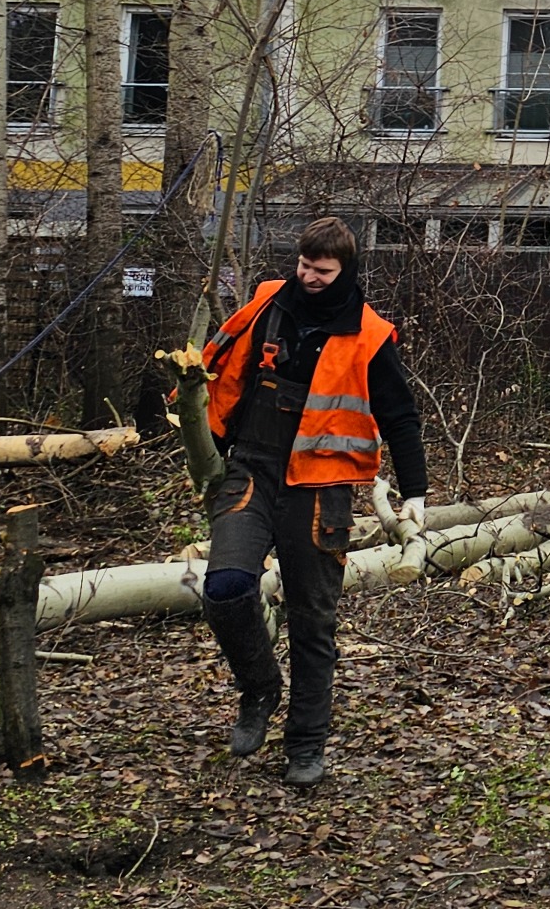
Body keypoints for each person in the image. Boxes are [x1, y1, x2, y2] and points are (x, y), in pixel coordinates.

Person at [199, 216, 427, 787]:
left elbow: (400, 416)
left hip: (320, 488)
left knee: (312, 620)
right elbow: (224, 368)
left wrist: (416, 491)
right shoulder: (269, 304)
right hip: (252, 467)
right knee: (225, 587)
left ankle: (305, 745)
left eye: (321, 271)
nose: (308, 277)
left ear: (344, 270)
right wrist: (206, 434)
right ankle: (259, 688)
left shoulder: (370, 336)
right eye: (303, 265)